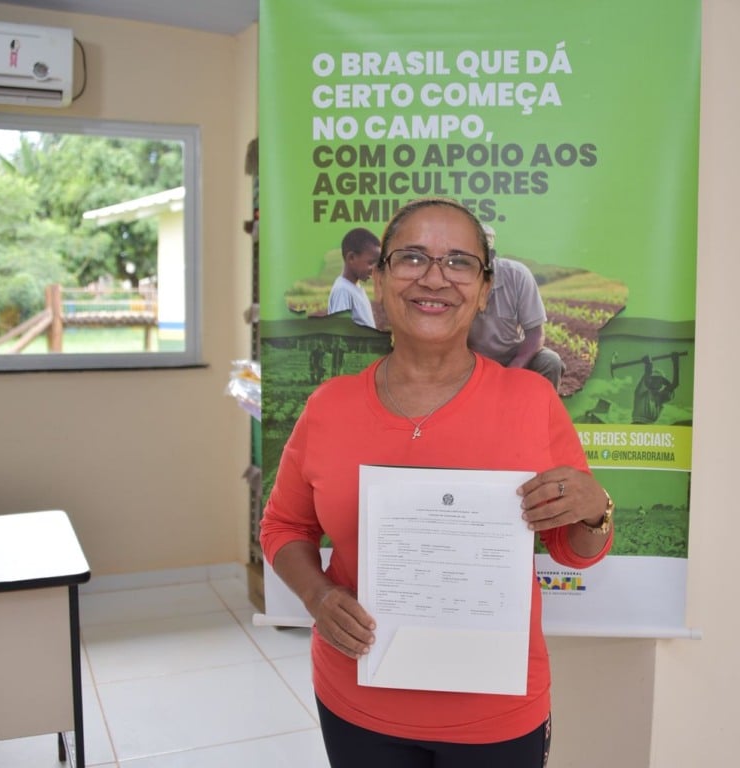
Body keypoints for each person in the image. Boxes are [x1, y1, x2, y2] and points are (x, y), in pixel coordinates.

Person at [261, 197, 614, 768]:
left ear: (483, 288)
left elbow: (572, 548)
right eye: (412, 258)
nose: (434, 277)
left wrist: (595, 509)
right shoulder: (329, 407)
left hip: (497, 713)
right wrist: (318, 595)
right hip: (358, 700)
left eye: (458, 262)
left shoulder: (532, 401)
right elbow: (283, 526)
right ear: (378, 279)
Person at [467, 224, 564, 391]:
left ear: (492, 254)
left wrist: (513, 369)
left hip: (512, 356)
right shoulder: (453, 278)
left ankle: (539, 415)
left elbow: (535, 334)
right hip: (469, 360)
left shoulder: (517, 275)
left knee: (550, 362)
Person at [328, 227, 381, 328]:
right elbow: (340, 331)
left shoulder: (355, 288)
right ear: (351, 258)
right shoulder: (343, 291)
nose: (374, 269)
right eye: (370, 262)